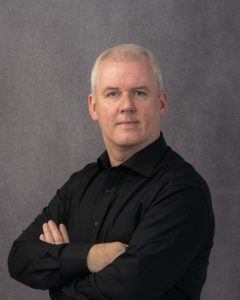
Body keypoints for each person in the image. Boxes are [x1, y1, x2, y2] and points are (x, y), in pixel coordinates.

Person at [8, 44, 215, 300]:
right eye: (113, 93)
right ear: (94, 107)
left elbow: (125, 293)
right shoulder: (80, 184)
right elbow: (19, 258)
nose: (126, 105)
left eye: (139, 92)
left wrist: (60, 274)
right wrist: (91, 256)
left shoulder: (182, 191)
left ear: (161, 103)